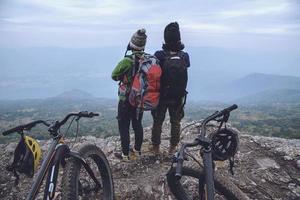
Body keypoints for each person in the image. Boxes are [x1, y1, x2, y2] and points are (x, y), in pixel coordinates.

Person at [150, 22, 190, 155]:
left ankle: (156, 148)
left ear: (165, 38)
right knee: (175, 122)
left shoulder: (159, 55)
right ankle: (172, 148)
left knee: (158, 121)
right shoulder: (184, 56)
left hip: (161, 95)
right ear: (179, 38)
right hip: (178, 95)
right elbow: (186, 67)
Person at [111, 28, 147, 160]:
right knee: (137, 124)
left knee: (124, 125)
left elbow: (113, 75)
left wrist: (123, 78)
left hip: (126, 98)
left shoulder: (127, 61)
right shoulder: (147, 60)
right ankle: (137, 150)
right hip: (140, 99)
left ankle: (125, 154)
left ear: (131, 44)